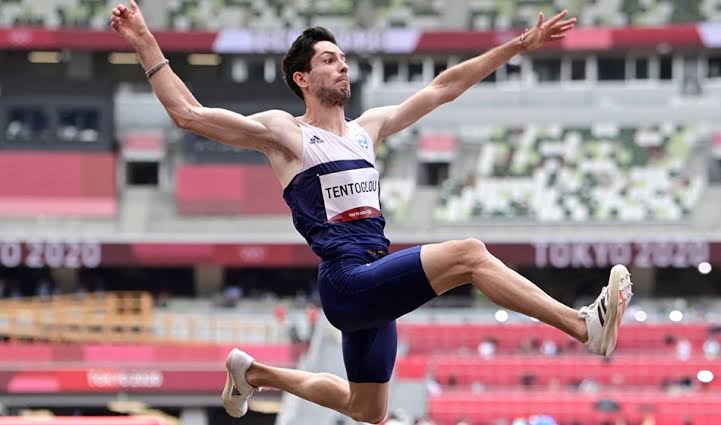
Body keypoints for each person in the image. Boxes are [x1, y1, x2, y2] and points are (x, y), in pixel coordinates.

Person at [110, 2, 633, 423]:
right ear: (301, 79)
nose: (343, 67)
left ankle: (255, 374)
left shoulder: (367, 130)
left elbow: (443, 88)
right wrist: (143, 40)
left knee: (369, 411)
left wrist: (518, 46)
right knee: (470, 255)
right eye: (330, 60)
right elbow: (189, 114)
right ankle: (582, 325)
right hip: (346, 280)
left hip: (371, 282)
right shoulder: (287, 135)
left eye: (343, 59)